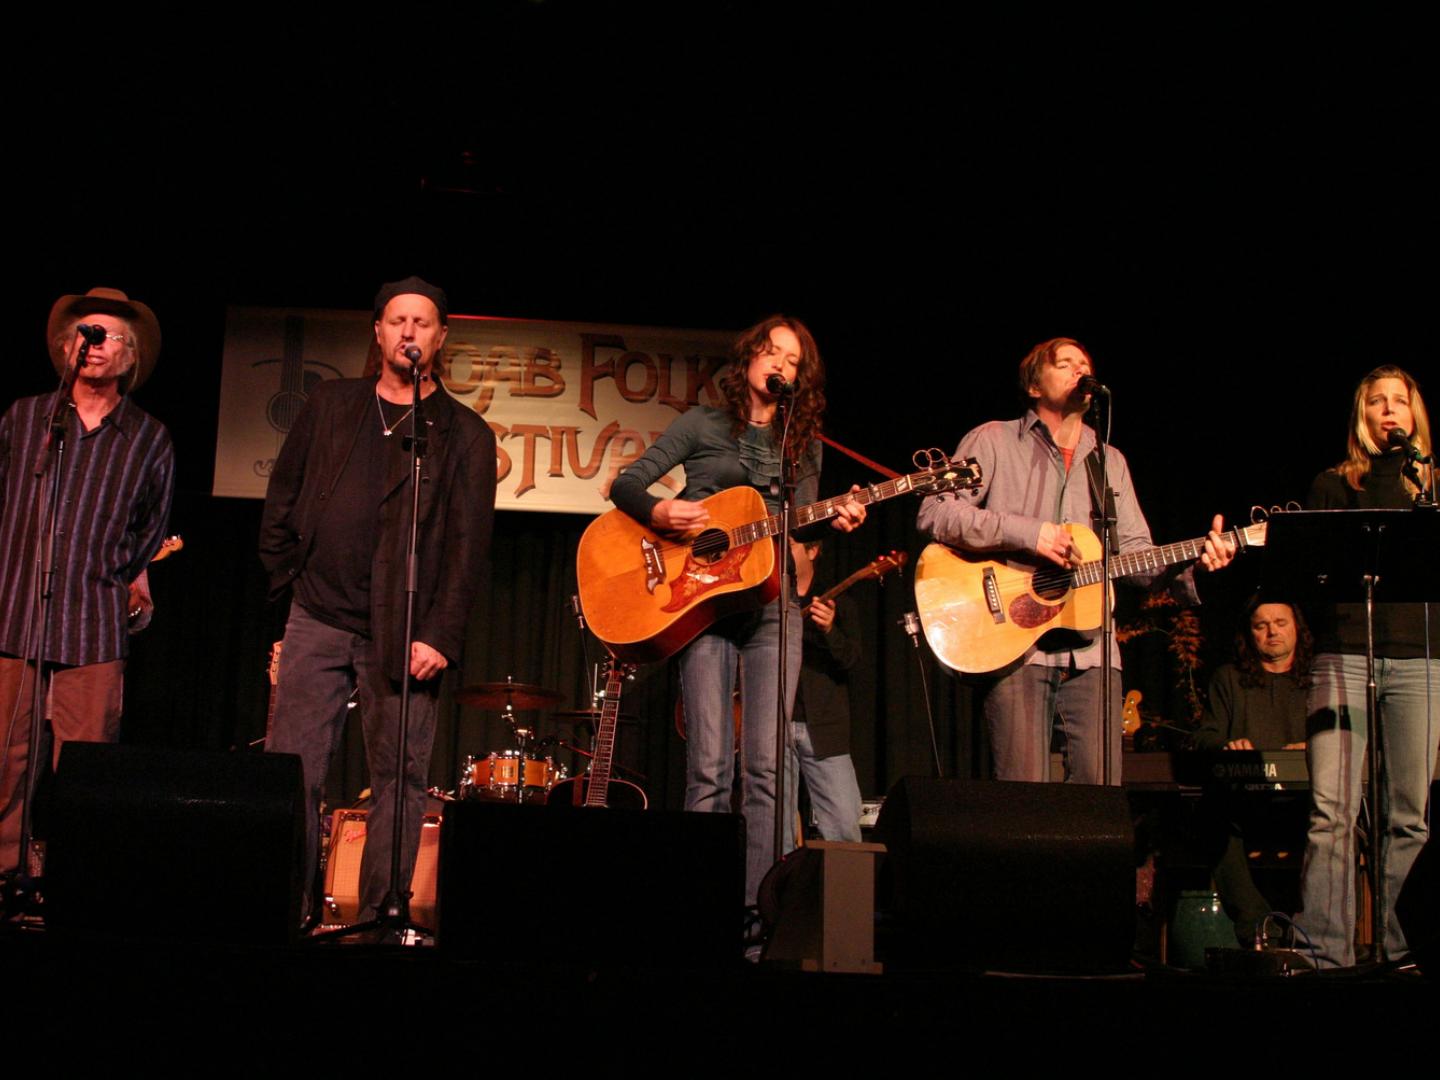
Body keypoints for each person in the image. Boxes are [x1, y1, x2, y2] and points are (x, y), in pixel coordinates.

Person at [259, 276, 495, 923]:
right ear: (379, 332)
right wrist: (287, 578)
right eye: (398, 320)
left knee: (399, 777)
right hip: (318, 613)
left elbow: (466, 547)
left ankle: (380, 917)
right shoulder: (332, 405)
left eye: (423, 322)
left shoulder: (464, 435)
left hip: (406, 628)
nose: (410, 332)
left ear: (441, 337)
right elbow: (283, 495)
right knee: (293, 773)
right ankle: (290, 907)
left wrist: (441, 635)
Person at [608, 315, 863, 906]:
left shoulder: (801, 446)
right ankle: (702, 910)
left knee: (768, 772)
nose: (779, 365)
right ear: (748, 359)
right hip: (701, 603)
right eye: (771, 352)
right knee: (709, 769)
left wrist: (838, 513)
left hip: (773, 608)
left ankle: (755, 916)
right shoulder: (702, 423)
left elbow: (799, 523)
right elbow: (628, 483)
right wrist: (660, 512)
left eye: (792, 361)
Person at [917, 337, 1234, 784]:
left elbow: (1139, 560)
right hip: (1015, 645)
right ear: (1033, 386)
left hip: (1095, 652)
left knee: (1099, 805)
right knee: (1023, 800)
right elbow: (937, 512)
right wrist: (1031, 533)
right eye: (1065, 364)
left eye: (1084, 365)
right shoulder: (993, 440)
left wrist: (1194, 562)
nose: (1078, 371)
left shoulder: (1110, 461)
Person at [1, 287, 175, 875]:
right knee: (5, 768)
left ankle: (75, 888)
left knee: (86, 772)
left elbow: (150, 529)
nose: (94, 345)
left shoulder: (149, 438)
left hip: (93, 629)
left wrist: (109, 576)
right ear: (66, 346)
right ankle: (5, 877)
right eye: (86, 333)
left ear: (130, 356)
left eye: (109, 337)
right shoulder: (25, 420)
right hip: (14, 620)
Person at [1296, 365, 1437, 967]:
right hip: (1344, 657)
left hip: (1422, 662)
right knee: (1332, 814)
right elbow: (1309, 577)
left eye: (1398, 403)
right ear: (1363, 416)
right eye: (1376, 402)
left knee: (1410, 818)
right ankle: (1326, 954)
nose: (1388, 412)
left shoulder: (1432, 489)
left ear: (1413, 415)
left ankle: (1402, 952)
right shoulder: (1334, 485)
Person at [1194, 598, 1312, 944]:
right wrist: (1227, 747)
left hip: (1305, 803)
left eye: (1280, 623)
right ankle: (1257, 926)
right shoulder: (1229, 679)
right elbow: (1206, 736)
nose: (1272, 631)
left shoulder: (1318, 678)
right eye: (1261, 625)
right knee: (1210, 815)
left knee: (1340, 820)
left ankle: (1310, 928)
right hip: (1246, 803)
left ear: (1296, 629)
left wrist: (1314, 747)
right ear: (1250, 634)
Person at [789, 538, 864, 842]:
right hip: (774, 725)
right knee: (773, 830)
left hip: (824, 729)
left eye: (791, 544)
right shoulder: (771, 601)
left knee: (845, 827)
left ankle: (844, 891)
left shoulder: (839, 602)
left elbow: (852, 662)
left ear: (812, 550)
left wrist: (830, 630)